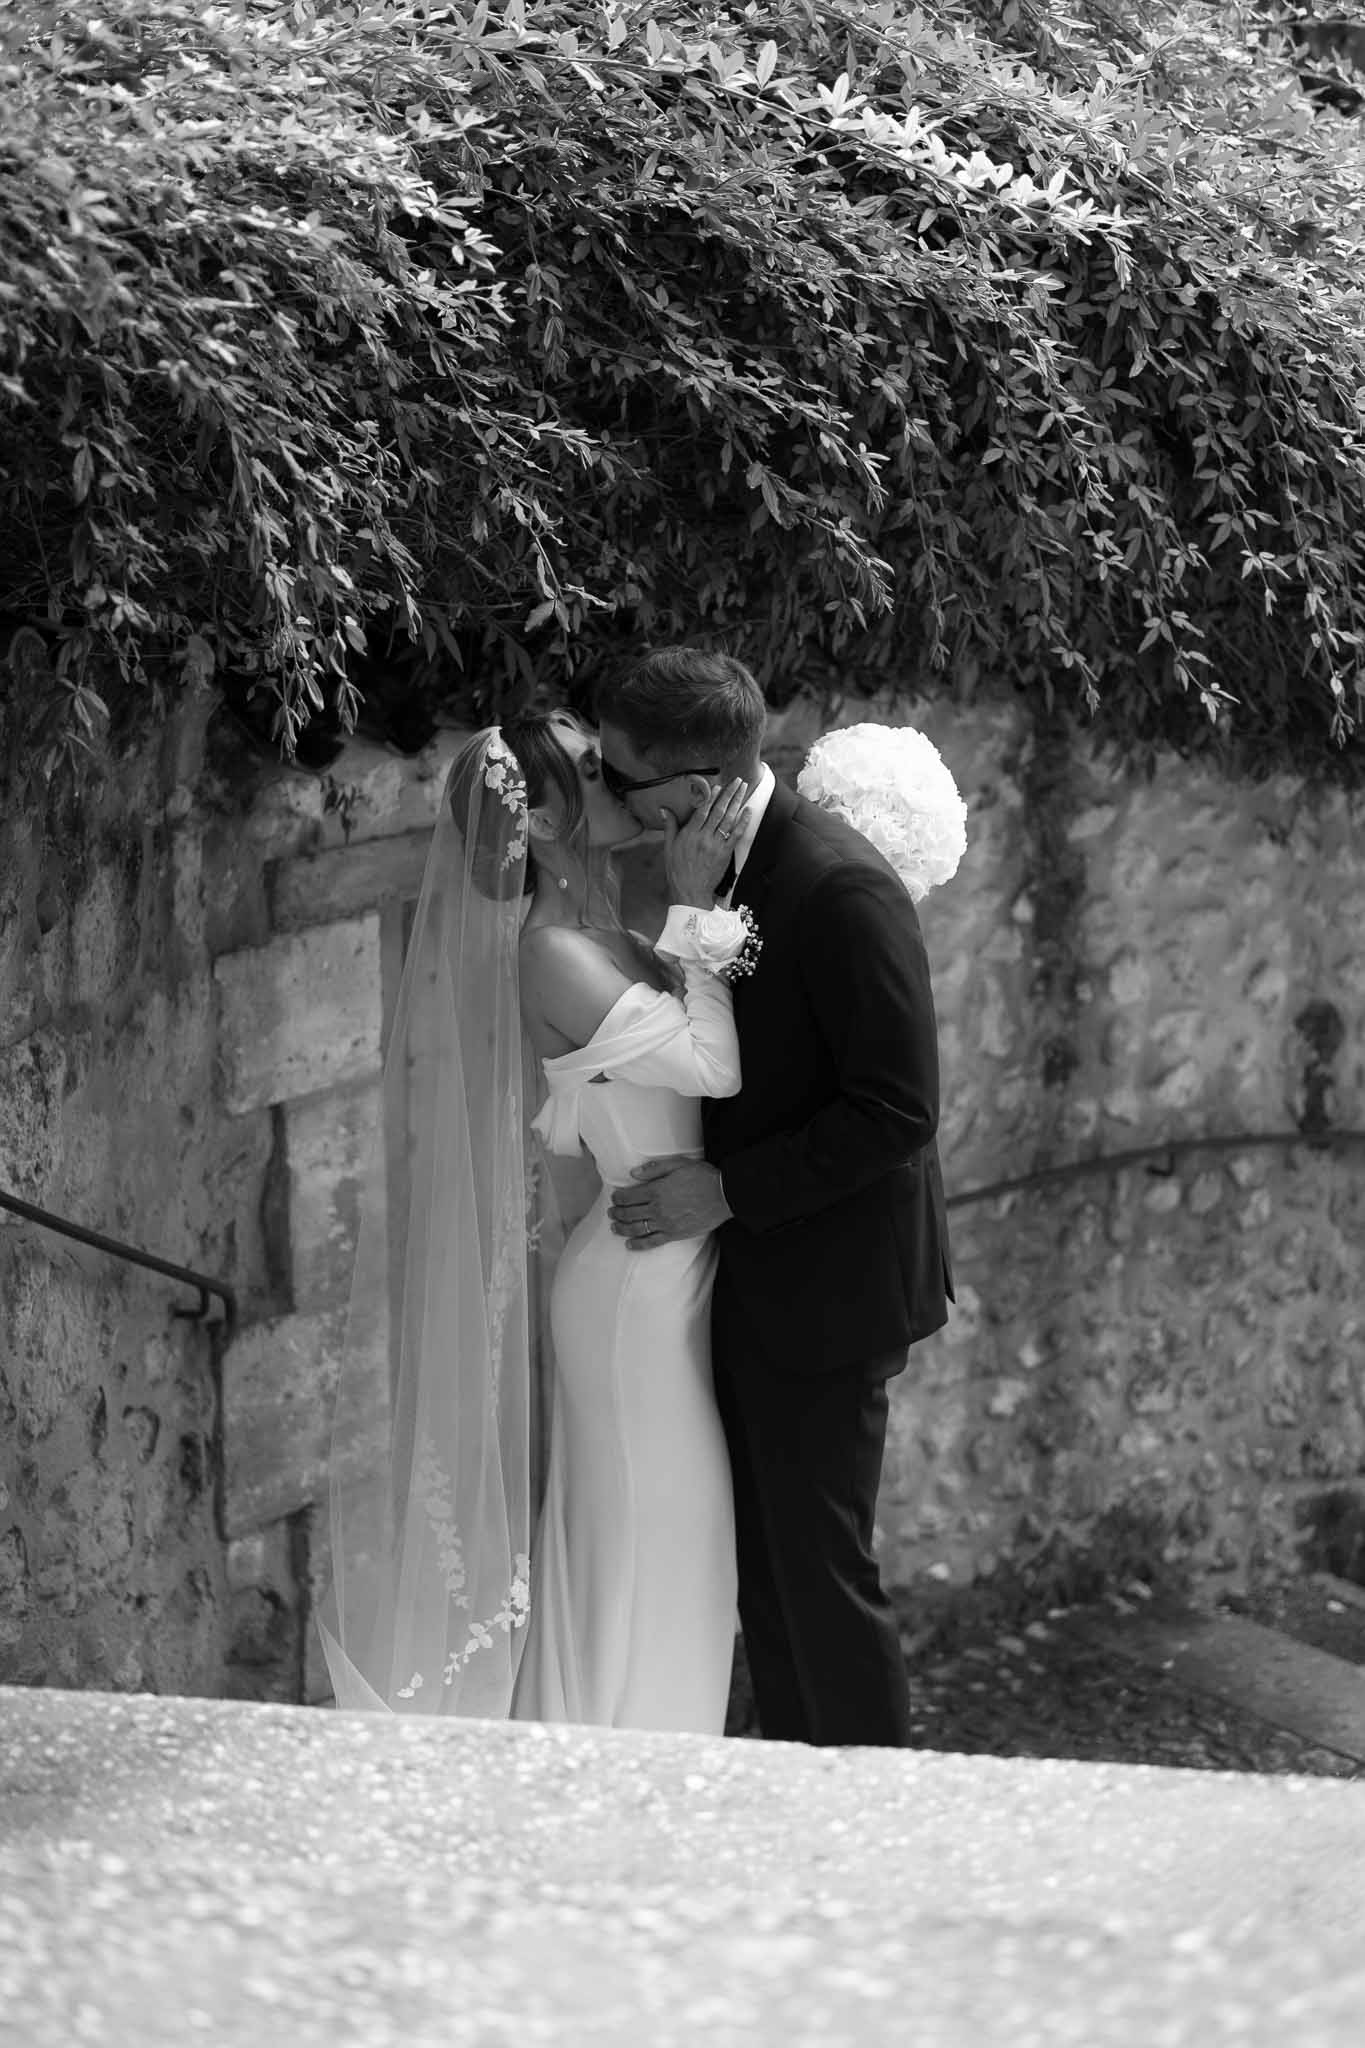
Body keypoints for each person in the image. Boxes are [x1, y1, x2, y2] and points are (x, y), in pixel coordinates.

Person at [319, 708, 751, 1732]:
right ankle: (611, 1768)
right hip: (639, 1285)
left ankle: (640, 1765)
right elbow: (714, 1064)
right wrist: (697, 907)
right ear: (549, 818)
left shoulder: (604, 930)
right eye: (596, 771)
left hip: (665, 1254)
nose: (622, 781)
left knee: (672, 1544)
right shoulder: (552, 951)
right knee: (653, 1538)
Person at [596, 649, 954, 1748]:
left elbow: (898, 1110)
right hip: (760, 1271)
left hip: (832, 1286)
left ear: (698, 787)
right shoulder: (719, 868)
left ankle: (872, 1830)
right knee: (771, 1581)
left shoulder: (838, 886)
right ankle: (802, 1801)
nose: (614, 802)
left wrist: (726, 1190)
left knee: (822, 1578)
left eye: (623, 783)